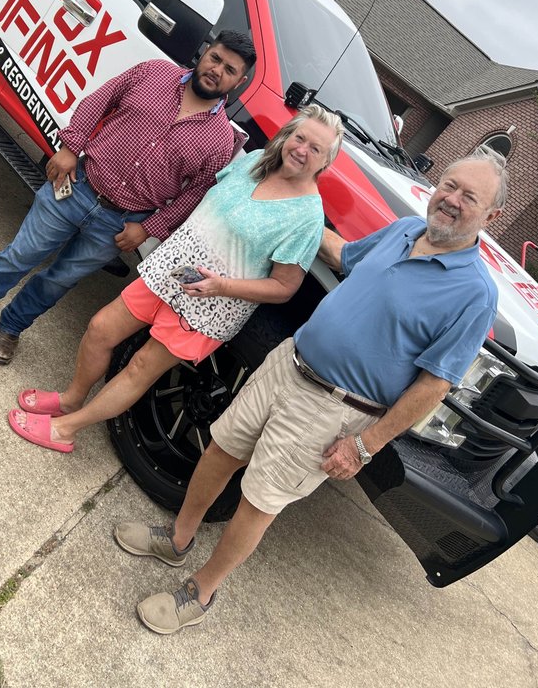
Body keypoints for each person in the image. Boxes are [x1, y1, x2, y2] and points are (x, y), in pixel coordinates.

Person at [113, 146, 507, 635]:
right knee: (220, 449)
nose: (450, 199)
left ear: (491, 215)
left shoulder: (474, 293)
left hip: (336, 410)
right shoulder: (406, 231)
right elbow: (345, 254)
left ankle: (204, 588)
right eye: (448, 185)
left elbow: (435, 384)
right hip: (288, 364)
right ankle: (176, 538)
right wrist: (296, 207)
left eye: (468, 197)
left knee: (259, 500)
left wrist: (367, 445)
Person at [6, 105, 345, 455]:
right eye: (299, 137)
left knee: (140, 367)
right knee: (100, 328)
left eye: (315, 148)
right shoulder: (255, 161)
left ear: (325, 162)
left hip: (211, 306)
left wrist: (221, 286)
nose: (301, 150)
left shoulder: (306, 216)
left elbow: (284, 287)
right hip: (170, 271)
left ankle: (65, 429)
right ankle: (70, 400)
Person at [0, 31, 256, 364]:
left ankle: (11, 328)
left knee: (59, 281)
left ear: (238, 82)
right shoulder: (154, 72)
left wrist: (149, 228)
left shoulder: (219, 140)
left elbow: (194, 194)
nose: (217, 70)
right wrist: (70, 148)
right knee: (20, 255)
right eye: (215, 58)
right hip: (77, 185)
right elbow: (101, 99)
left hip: (121, 223)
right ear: (205, 53)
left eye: (229, 69)